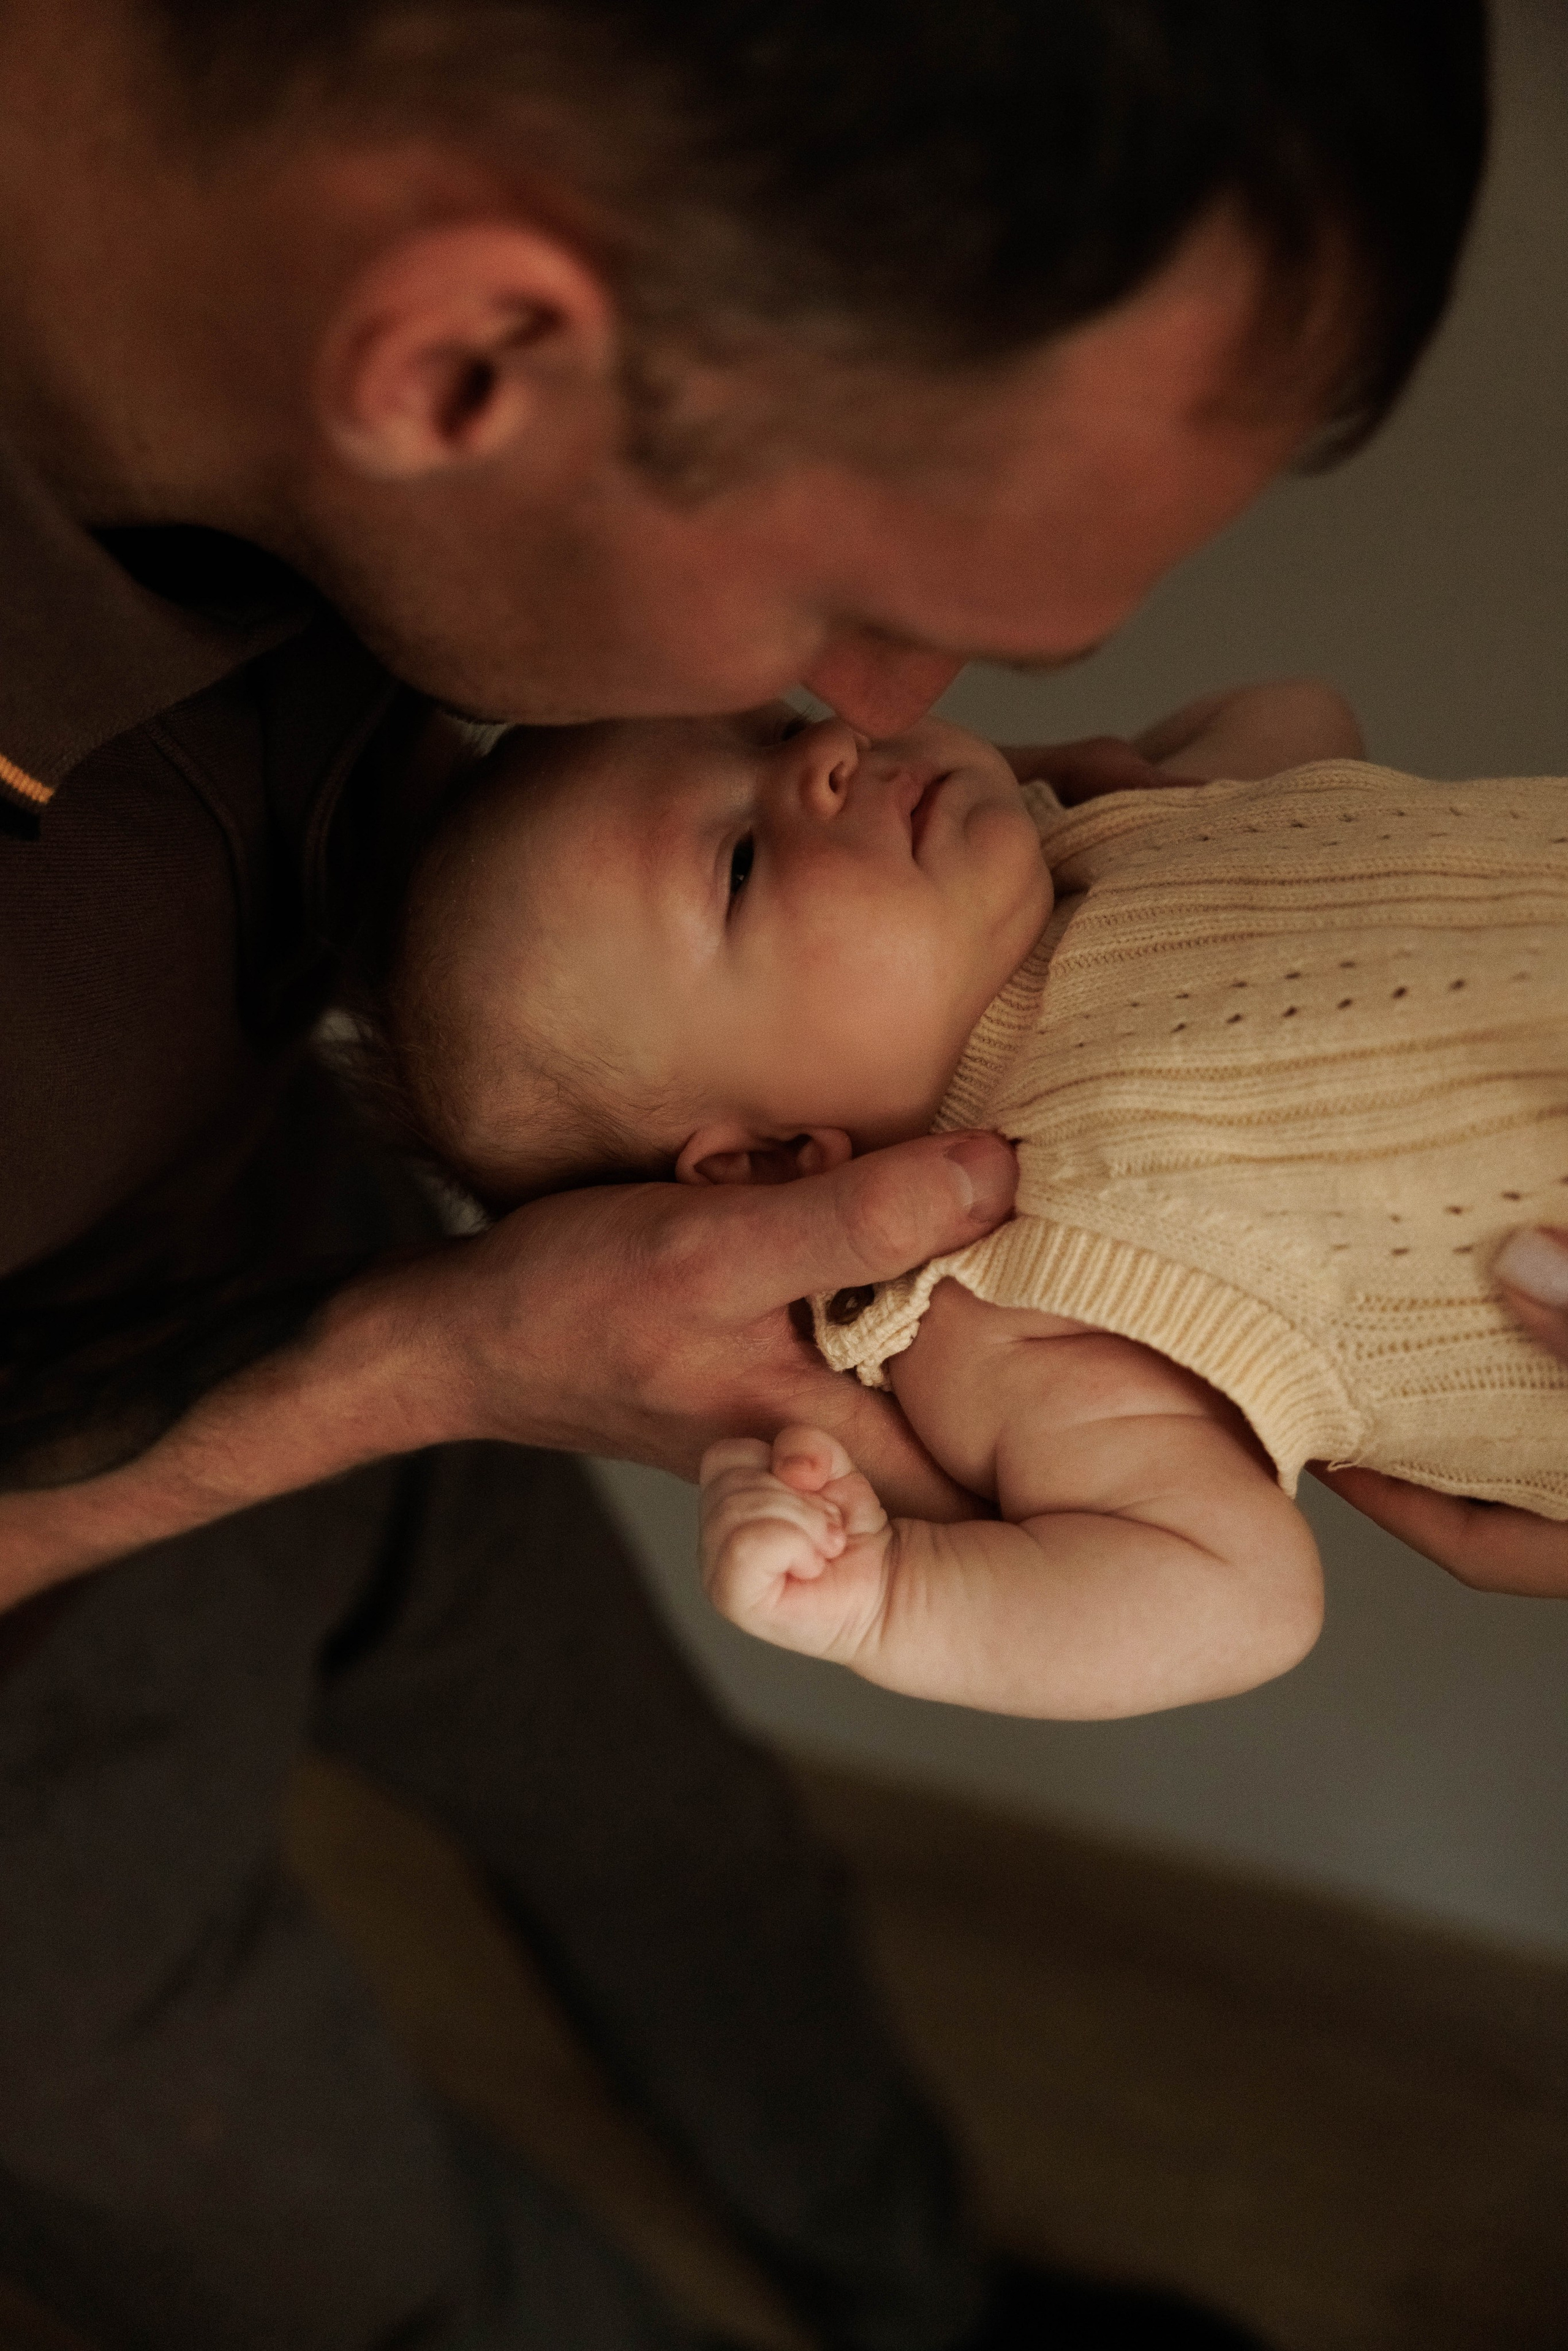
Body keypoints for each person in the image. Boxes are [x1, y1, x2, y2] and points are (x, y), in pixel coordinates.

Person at [0, 1, 1512, 2346]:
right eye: (843, 624)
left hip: (312, 1248)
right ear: (469, 364)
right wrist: (410, 1363)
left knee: (701, 1870)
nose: (897, 718)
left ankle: (932, 2296)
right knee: (329, 2252)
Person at [358, 687, 1566, 1722]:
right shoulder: (997, 1290)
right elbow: (1235, 1595)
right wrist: (891, 1601)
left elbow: (1303, 721)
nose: (824, 753)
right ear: (766, 1158)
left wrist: (1109, 776)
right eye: (739, 861)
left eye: (773, 730)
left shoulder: (1094, 844)